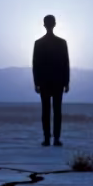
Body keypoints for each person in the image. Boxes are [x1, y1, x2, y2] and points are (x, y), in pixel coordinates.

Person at [32, 14, 70, 146]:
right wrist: (66, 82)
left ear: (45, 25)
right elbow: (36, 65)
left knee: (48, 111)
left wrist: (36, 82)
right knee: (54, 111)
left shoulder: (40, 43)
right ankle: (53, 138)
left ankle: (50, 138)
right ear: (54, 24)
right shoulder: (60, 43)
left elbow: (65, 63)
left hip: (49, 82)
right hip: (53, 82)